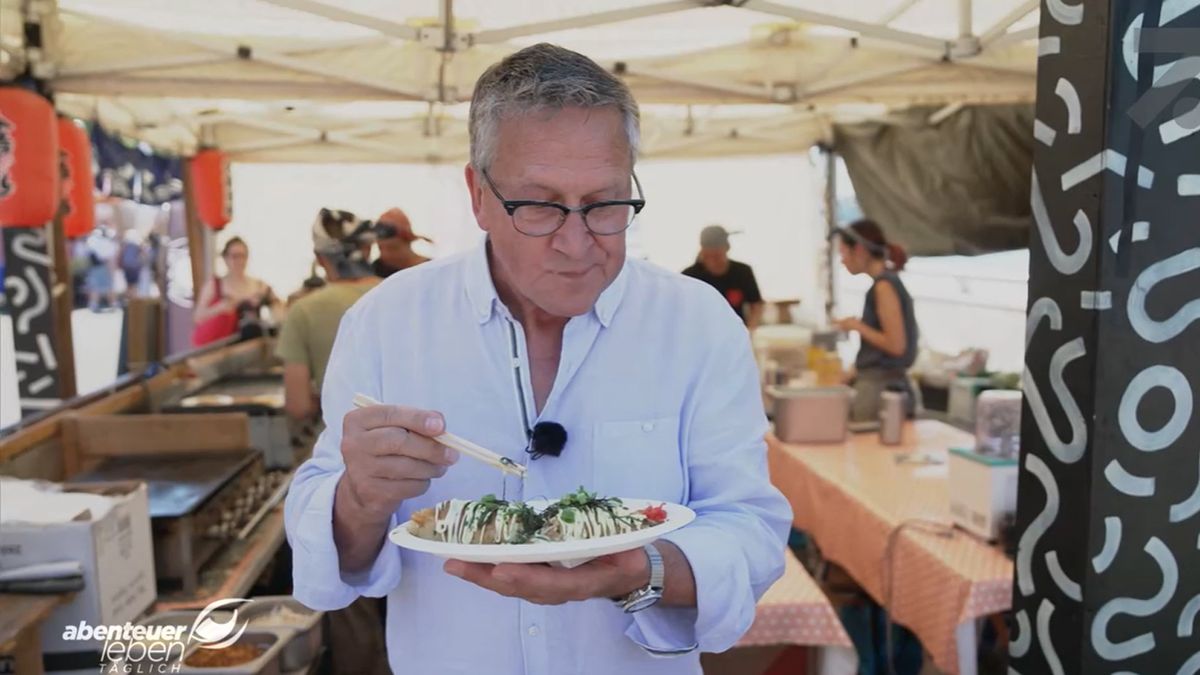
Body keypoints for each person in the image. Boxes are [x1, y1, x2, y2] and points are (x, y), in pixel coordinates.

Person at [284, 43, 791, 675]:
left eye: (606, 204)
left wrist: (635, 569)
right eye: (540, 206)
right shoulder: (390, 322)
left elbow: (751, 530)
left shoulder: (696, 324)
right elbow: (329, 564)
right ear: (477, 194)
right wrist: (359, 497)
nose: (577, 244)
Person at [276, 209, 382, 423]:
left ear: (319, 258)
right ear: (368, 248)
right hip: (413, 442)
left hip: (338, 446)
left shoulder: (303, 311)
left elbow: (298, 406)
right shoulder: (403, 295)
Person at [832, 219, 920, 422]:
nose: (842, 261)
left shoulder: (884, 287)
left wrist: (857, 326)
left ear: (860, 250)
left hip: (879, 391)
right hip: (885, 387)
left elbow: (896, 345)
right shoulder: (888, 282)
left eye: (844, 252)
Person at [192, 237, 281, 346]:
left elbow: (279, 308)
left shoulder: (259, 285)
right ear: (225, 258)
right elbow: (198, 317)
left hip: (252, 346)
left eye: (243, 256)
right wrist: (219, 308)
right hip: (222, 347)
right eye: (234, 256)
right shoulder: (215, 285)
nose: (239, 261)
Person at [681, 225, 764, 330]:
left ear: (727, 248)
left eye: (717, 255)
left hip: (734, 333)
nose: (713, 261)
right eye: (708, 256)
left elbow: (756, 305)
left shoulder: (743, 272)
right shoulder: (689, 276)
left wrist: (749, 331)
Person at [372, 208, 431, 278]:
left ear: (407, 240)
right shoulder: (374, 271)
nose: (386, 255)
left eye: (392, 249)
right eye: (380, 248)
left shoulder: (430, 270)